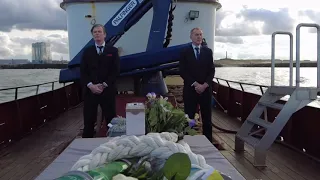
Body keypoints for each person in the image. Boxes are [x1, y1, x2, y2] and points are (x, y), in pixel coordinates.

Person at [80, 24, 120, 138]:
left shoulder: (112, 51)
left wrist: (104, 85)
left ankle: (112, 144)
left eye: (99, 31)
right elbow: (83, 72)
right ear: (92, 35)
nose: (97, 33)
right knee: (88, 120)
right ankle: (86, 145)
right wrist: (90, 85)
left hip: (107, 91)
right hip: (90, 91)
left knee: (111, 119)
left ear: (105, 34)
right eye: (95, 32)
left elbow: (115, 71)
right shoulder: (87, 52)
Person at [179, 27, 215, 143]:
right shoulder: (185, 52)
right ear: (191, 37)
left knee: (207, 118)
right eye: (196, 34)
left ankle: (208, 142)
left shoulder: (208, 52)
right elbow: (183, 71)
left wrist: (204, 85)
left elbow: (211, 71)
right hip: (190, 90)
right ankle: (188, 141)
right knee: (189, 117)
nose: (199, 37)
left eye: (200, 35)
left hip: (205, 90)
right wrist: (195, 84)